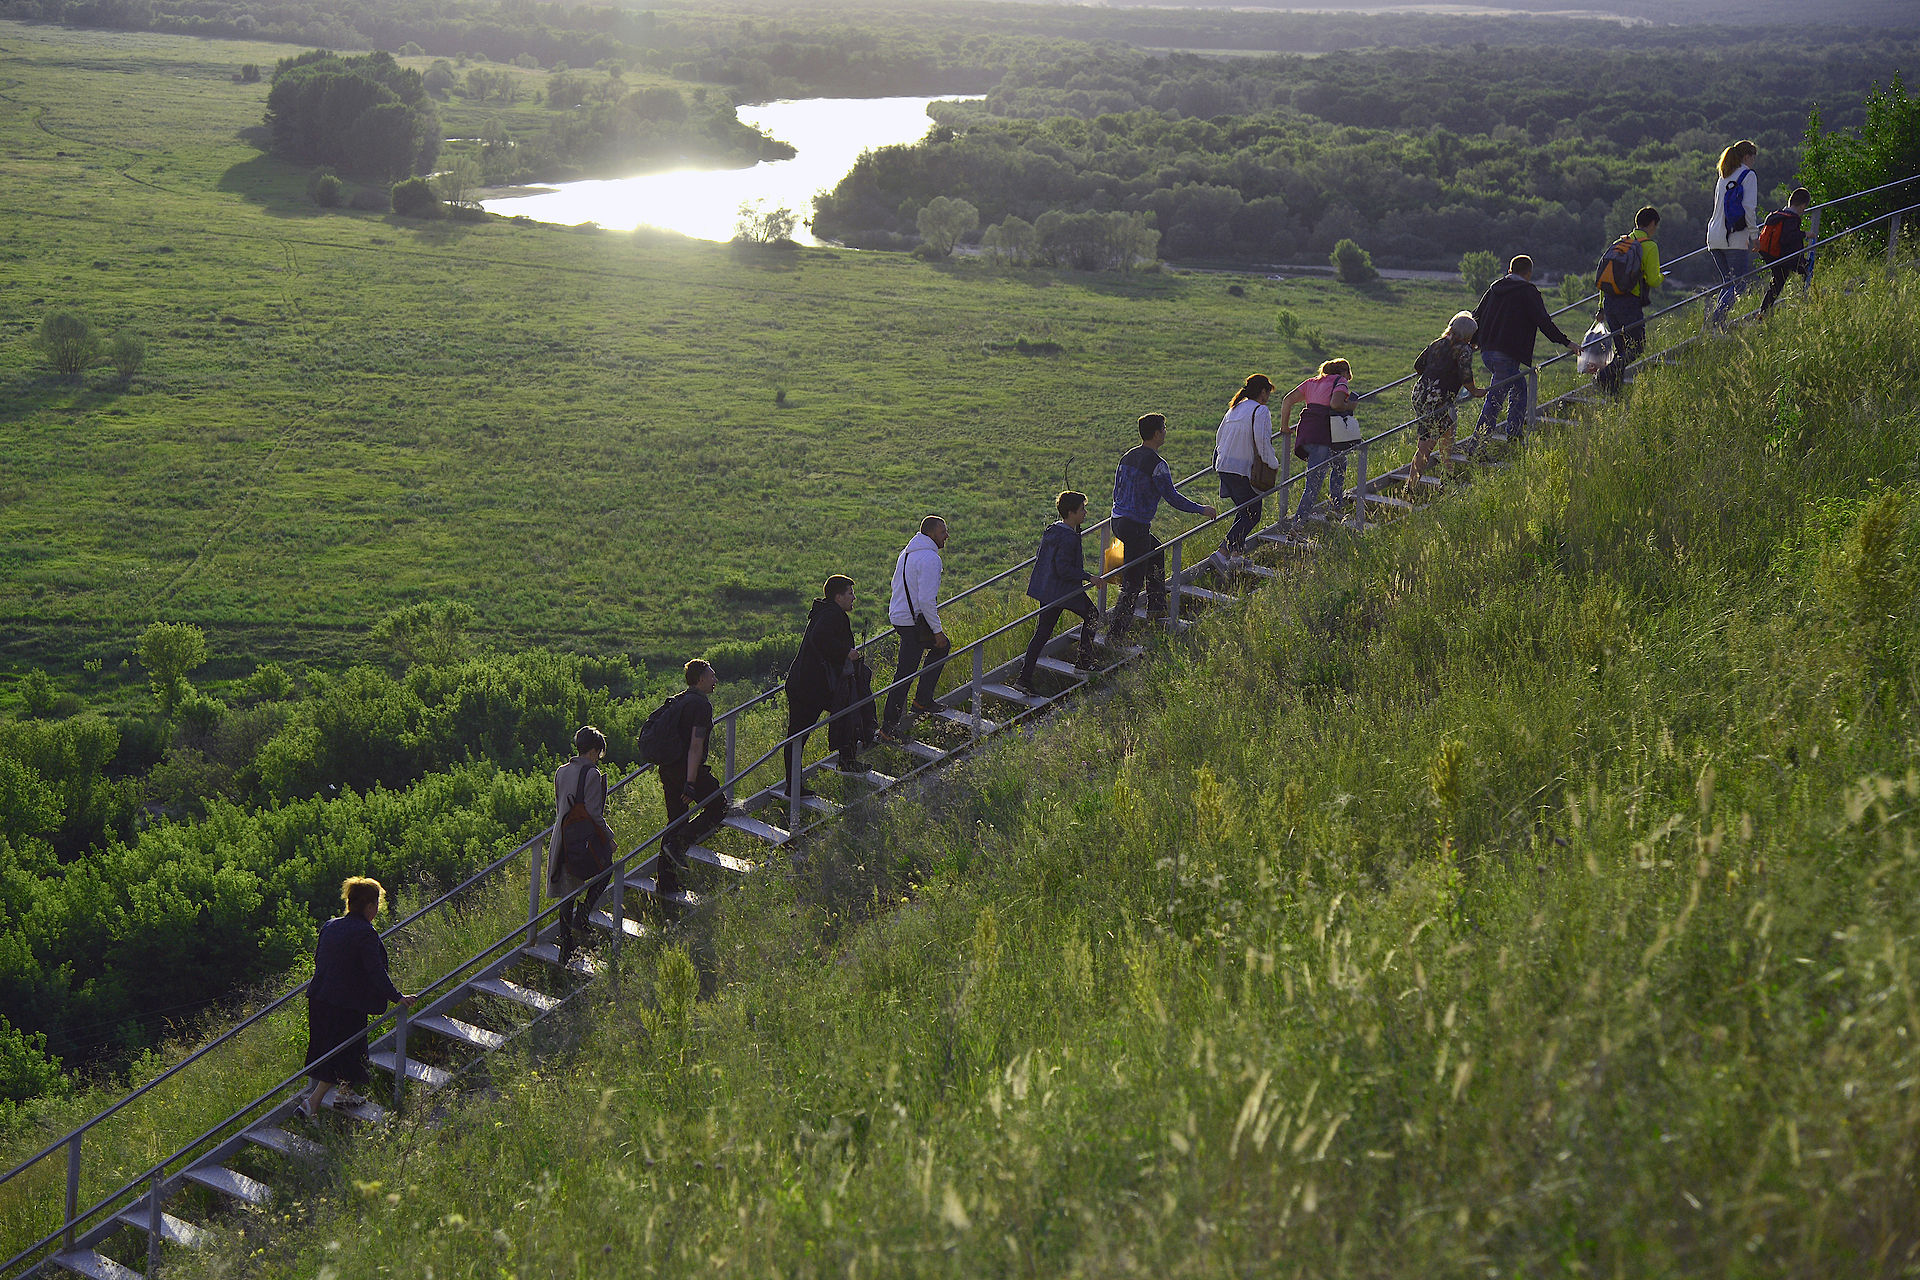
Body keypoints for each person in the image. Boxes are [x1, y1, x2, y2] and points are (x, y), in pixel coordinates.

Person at [295, 877, 413, 1120]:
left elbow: (320, 959)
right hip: (345, 1005)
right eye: (377, 905)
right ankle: (312, 1103)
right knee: (344, 1050)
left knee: (339, 1049)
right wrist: (397, 997)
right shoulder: (366, 933)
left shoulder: (330, 925)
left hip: (320, 999)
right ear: (370, 906)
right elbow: (375, 970)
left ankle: (344, 1093)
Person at [1106, 414, 1217, 642]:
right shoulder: (1158, 465)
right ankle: (1115, 634)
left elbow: (1116, 489)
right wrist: (1201, 509)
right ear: (1157, 434)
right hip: (1136, 525)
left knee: (1156, 552)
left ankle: (1156, 606)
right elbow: (1173, 497)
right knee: (1133, 581)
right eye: (1164, 428)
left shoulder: (1127, 457)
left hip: (1117, 520)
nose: (1166, 431)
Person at [1469, 256, 1575, 445]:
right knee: (1495, 400)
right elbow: (1544, 322)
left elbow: (1476, 315)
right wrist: (1567, 343)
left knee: (1519, 386)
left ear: (1510, 270)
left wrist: (1474, 341)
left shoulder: (1495, 288)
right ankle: (1476, 447)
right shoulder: (1528, 292)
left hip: (1487, 352)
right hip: (1507, 353)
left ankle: (1514, 433)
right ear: (1528, 273)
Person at [1012, 491, 1100, 695]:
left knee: (1042, 633)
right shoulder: (1069, 537)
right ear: (1071, 513)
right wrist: (1089, 577)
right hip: (1065, 590)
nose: (1085, 513)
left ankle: (1024, 678)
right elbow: (1064, 568)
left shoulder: (1053, 530)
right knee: (1092, 615)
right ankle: (1085, 661)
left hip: (1047, 590)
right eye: (1082, 510)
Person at [783, 575, 862, 798]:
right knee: (797, 736)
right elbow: (821, 638)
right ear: (838, 597)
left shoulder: (826, 612)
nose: (853, 598)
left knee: (847, 711)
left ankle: (847, 760)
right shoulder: (831, 615)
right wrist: (845, 653)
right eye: (850, 593)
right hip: (808, 689)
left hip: (811, 685)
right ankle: (794, 786)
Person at [545, 725, 617, 965]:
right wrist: (609, 837)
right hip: (582, 838)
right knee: (607, 867)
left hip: (562, 835)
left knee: (567, 890)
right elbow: (595, 813)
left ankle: (566, 948)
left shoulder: (561, 771)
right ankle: (583, 915)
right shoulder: (592, 774)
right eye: (599, 752)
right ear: (595, 750)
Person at [659, 659, 728, 902]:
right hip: (687, 770)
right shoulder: (700, 705)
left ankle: (665, 884)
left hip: (667, 769)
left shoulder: (679, 700)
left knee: (675, 820)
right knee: (719, 806)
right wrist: (689, 782)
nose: (715, 681)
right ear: (700, 680)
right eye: (712, 677)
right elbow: (696, 746)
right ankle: (679, 844)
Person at [1202, 374, 1280, 576]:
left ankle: (1236, 556)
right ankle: (1222, 553)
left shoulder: (1234, 409)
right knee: (1254, 513)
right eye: (1268, 392)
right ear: (1262, 392)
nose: (1268, 397)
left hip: (1225, 466)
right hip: (1241, 468)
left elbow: (1219, 437)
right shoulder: (1260, 410)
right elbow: (1263, 442)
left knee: (1245, 511)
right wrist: (1273, 464)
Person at [880, 517, 950, 742]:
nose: (946, 536)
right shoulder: (930, 558)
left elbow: (895, 585)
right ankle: (890, 727)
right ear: (931, 534)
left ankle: (922, 701)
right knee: (906, 673)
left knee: (908, 668)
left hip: (900, 617)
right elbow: (927, 600)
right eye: (942, 532)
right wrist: (937, 631)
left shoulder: (907, 553)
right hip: (913, 621)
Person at [1407, 313, 1485, 491]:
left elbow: (1418, 366)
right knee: (1426, 445)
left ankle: (1447, 474)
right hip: (1438, 400)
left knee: (1448, 429)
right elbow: (1466, 374)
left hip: (1421, 393)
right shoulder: (1463, 349)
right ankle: (1411, 487)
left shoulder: (1437, 343)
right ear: (1468, 334)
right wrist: (1475, 391)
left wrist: (1435, 371)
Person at [1275, 359, 1358, 526]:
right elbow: (1335, 404)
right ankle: (1298, 524)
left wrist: (1284, 426)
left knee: (1340, 462)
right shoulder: (1339, 381)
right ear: (1344, 372)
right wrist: (1350, 405)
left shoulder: (1311, 382)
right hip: (1323, 434)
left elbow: (1287, 400)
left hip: (1307, 432)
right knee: (1313, 483)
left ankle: (1337, 504)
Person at [1597, 207, 1664, 397]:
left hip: (1610, 302)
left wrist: (1601, 306)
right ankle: (1605, 374)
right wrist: (1662, 277)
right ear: (1652, 224)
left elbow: (1607, 279)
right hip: (1629, 303)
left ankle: (1614, 395)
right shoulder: (1649, 246)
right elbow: (1652, 280)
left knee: (1621, 350)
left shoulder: (1620, 243)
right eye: (1655, 226)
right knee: (1638, 347)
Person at [1706, 140, 1760, 328]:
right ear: (1748, 156)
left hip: (1714, 237)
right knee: (1738, 285)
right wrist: (1755, 237)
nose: (1754, 161)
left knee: (1728, 283)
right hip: (1735, 238)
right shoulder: (1748, 175)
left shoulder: (1724, 176)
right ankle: (1715, 323)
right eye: (1754, 157)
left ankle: (1714, 325)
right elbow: (1749, 209)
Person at [1758, 187, 1811, 314]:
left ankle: (1763, 312)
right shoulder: (1792, 219)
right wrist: (1805, 234)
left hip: (1770, 254)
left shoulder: (1777, 215)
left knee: (1777, 284)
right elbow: (1788, 237)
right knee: (1806, 271)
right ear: (1803, 206)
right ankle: (1806, 302)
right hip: (1784, 256)